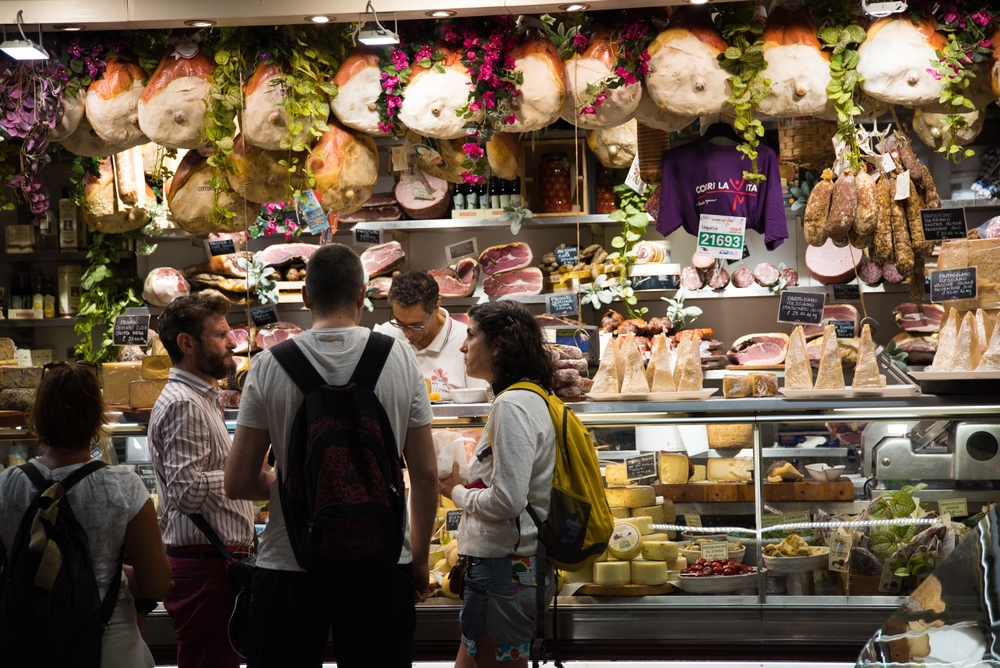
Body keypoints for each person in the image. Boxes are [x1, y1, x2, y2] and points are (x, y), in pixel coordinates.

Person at [225, 243, 439, 668]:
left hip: (290, 566)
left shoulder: (268, 365)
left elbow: (238, 483)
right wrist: (418, 561)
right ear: (362, 295)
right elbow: (428, 474)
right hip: (381, 564)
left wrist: (283, 478)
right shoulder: (399, 358)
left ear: (305, 299)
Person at [0, 363, 171, 667]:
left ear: (38, 415)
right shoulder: (123, 485)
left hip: (28, 645)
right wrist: (113, 570)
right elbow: (155, 583)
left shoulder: (7, 484)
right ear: (96, 416)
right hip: (110, 645)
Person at [438, 300, 557, 668]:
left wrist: (455, 491)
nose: (462, 345)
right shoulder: (524, 397)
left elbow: (507, 501)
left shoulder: (513, 405)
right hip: (498, 569)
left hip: (502, 571)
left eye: (471, 335)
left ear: (499, 345)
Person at [148, 292, 256, 668]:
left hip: (214, 567)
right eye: (221, 334)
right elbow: (187, 492)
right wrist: (251, 477)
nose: (233, 342)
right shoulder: (184, 404)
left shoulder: (202, 397)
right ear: (187, 343)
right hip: (205, 570)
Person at [374, 270, 489, 401]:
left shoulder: (467, 342)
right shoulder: (384, 336)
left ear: (436, 308)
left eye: (416, 325)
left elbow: (480, 406)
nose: (407, 333)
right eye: (400, 323)